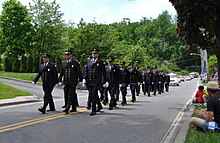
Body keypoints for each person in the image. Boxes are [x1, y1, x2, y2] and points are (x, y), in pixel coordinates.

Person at [83, 49, 108, 116]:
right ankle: (99, 106)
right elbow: (86, 70)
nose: (94, 55)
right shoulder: (89, 61)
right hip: (90, 81)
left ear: (98, 54)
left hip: (97, 81)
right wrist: (84, 78)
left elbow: (104, 73)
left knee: (94, 94)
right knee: (92, 94)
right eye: (93, 53)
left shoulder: (101, 62)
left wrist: (105, 81)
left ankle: (93, 110)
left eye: (95, 53)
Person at [59, 50, 83, 114]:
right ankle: (74, 107)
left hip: (73, 81)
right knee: (66, 93)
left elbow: (79, 72)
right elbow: (62, 72)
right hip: (66, 81)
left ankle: (67, 107)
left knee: (71, 93)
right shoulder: (63, 63)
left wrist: (81, 79)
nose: (67, 56)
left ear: (71, 55)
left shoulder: (75, 63)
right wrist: (60, 80)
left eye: (68, 54)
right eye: (66, 55)